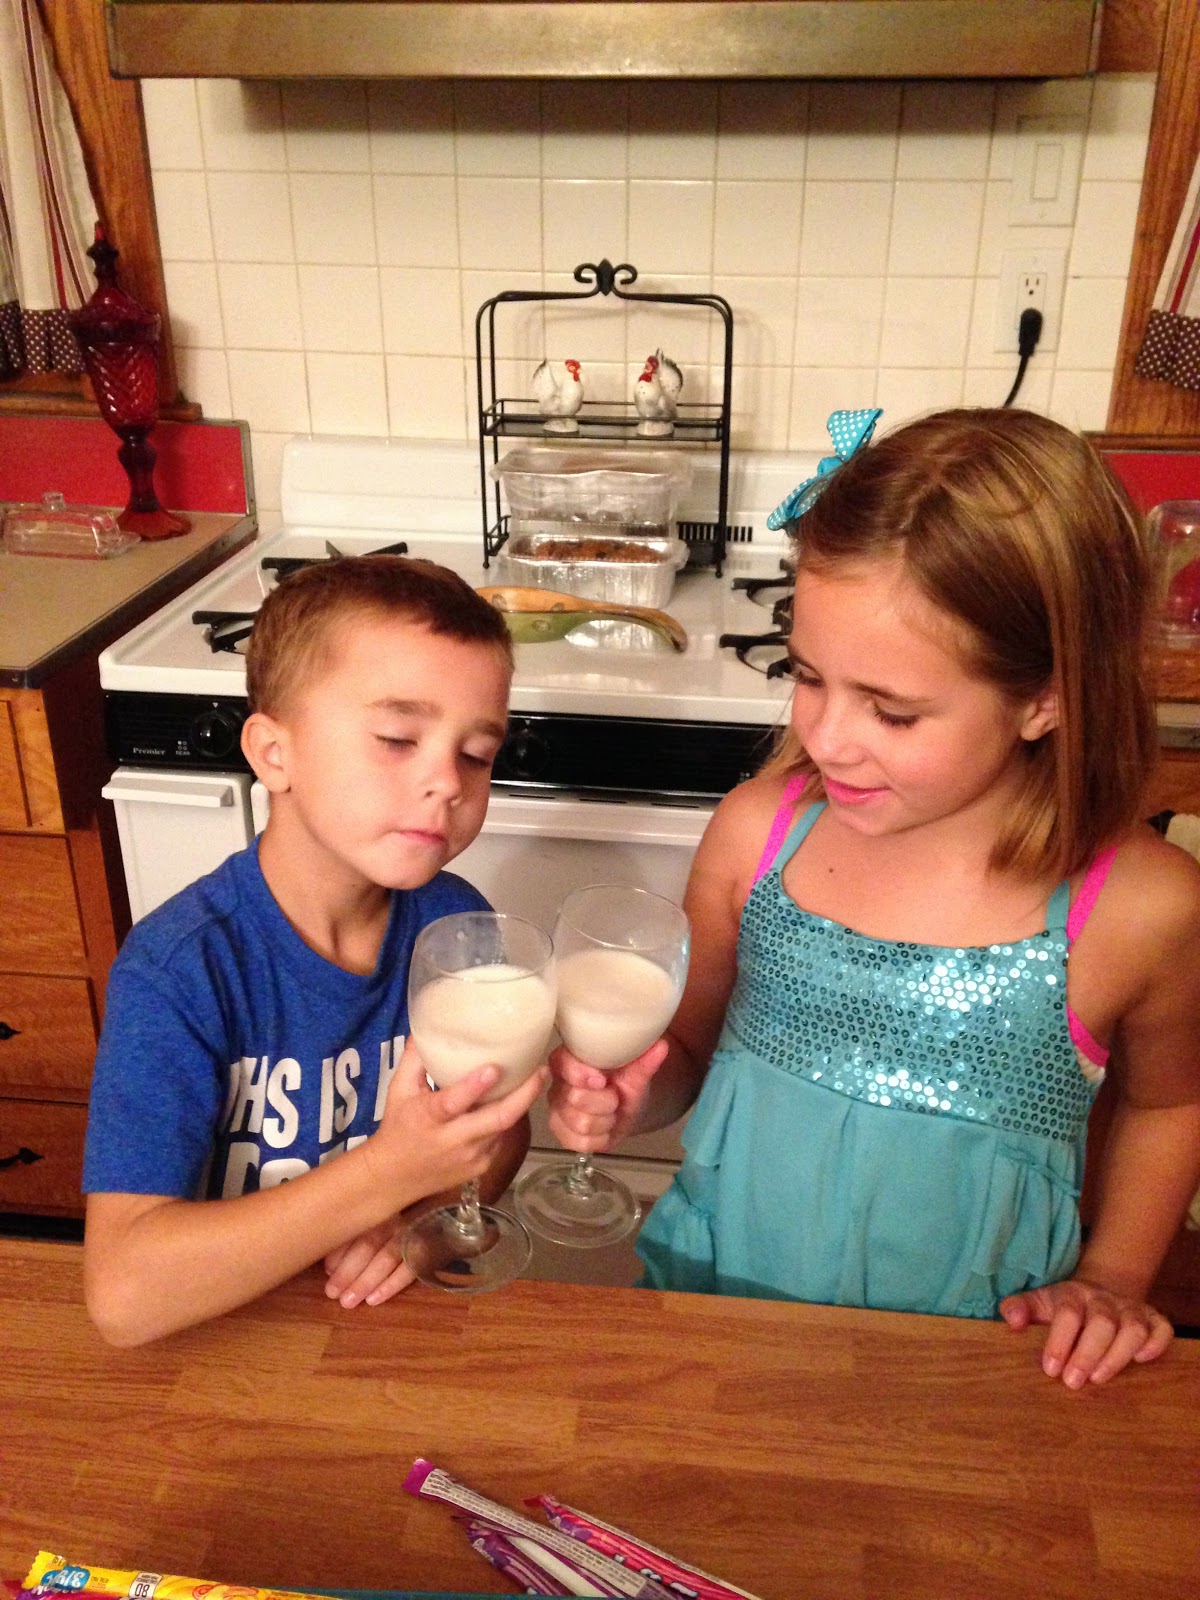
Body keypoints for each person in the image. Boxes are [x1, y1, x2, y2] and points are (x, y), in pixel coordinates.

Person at [548, 407, 1200, 1388]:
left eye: (892, 711)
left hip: (973, 1366)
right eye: (808, 676)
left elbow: (1170, 1103)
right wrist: (633, 1092)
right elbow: (684, 1056)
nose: (827, 737)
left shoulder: (1140, 909)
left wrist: (1112, 1277)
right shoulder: (757, 833)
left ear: (1046, 696)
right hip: (719, 1318)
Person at [83, 555, 544, 1346]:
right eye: (397, 738)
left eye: (476, 753)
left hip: (385, 1340)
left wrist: (426, 1214)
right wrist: (386, 1175)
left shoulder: (456, 926)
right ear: (274, 753)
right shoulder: (181, 971)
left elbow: (497, 1135)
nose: (448, 781)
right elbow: (122, 1297)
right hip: (234, 1346)